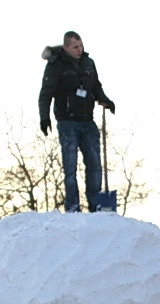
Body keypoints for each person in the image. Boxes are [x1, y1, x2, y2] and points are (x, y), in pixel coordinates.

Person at [38, 31, 115, 213]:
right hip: (67, 122)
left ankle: (96, 205)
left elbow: (96, 86)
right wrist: (44, 117)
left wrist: (105, 100)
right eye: (75, 47)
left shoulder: (89, 63)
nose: (80, 50)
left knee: (95, 164)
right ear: (66, 48)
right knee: (70, 166)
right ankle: (72, 206)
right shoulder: (55, 65)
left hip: (87, 121)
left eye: (81, 46)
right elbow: (46, 93)